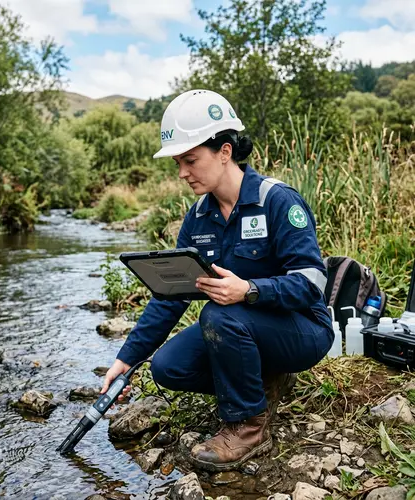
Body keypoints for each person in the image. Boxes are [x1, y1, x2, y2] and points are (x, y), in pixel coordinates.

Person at [101, 89, 334, 472]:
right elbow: (170, 297)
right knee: (168, 367)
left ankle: (248, 428)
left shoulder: (277, 201)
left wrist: (250, 289)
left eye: (190, 160)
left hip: (304, 329)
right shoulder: (197, 218)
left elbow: (311, 283)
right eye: (178, 162)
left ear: (224, 151)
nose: (182, 173)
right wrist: (126, 359)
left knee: (219, 314)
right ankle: (261, 387)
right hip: (242, 328)